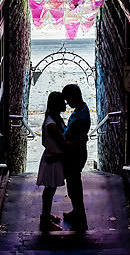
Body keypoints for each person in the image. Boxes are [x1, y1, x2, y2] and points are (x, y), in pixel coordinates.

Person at [36, 91, 68, 231]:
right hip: (53, 160)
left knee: (50, 190)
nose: (65, 103)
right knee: (49, 190)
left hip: (53, 158)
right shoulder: (52, 124)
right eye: (62, 101)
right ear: (57, 104)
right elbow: (63, 144)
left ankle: (46, 215)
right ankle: (45, 220)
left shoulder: (54, 119)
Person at [61, 83, 91, 231]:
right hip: (74, 154)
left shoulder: (82, 115)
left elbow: (78, 140)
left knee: (75, 187)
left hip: (75, 155)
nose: (67, 103)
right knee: (73, 186)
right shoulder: (80, 110)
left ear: (74, 97)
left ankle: (81, 220)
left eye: (68, 99)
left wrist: (62, 144)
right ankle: (76, 213)